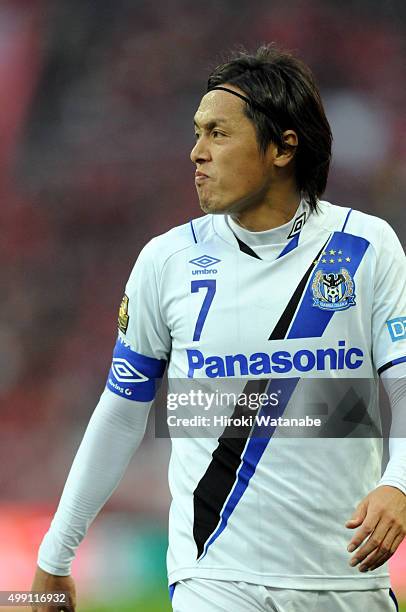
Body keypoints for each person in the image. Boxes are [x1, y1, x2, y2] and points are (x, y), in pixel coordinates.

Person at [32, 45, 406, 612]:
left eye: (217, 134)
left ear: (283, 147)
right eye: (196, 132)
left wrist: (399, 483)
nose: (195, 152)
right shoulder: (167, 261)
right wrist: (56, 556)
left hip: (345, 577)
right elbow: (123, 409)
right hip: (213, 576)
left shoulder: (366, 246)